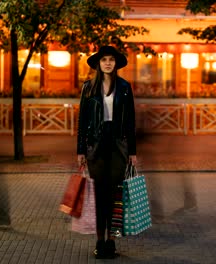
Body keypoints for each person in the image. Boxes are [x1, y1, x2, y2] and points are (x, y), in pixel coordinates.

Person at [77, 45, 137, 259]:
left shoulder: (124, 87)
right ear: (98, 64)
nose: (108, 63)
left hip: (119, 145)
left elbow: (130, 121)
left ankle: (111, 242)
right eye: (104, 60)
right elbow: (82, 121)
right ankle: (99, 241)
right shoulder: (88, 88)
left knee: (116, 195)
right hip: (96, 145)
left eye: (111, 59)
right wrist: (81, 150)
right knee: (99, 196)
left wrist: (133, 151)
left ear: (115, 63)